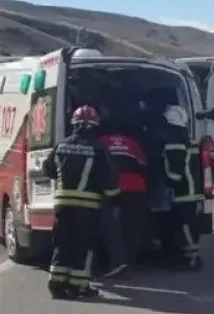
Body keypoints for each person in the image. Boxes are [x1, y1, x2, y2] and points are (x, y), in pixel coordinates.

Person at [43, 106, 120, 299]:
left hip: (62, 204)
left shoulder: (61, 145)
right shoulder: (97, 148)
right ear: (94, 125)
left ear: (74, 124)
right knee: (83, 246)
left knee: (61, 243)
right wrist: (115, 197)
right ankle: (78, 286)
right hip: (87, 206)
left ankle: (57, 285)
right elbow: (107, 178)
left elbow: (48, 170)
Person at [98, 124, 149, 278]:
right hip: (136, 185)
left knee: (108, 224)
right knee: (133, 225)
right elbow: (144, 165)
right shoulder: (132, 143)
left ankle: (115, 262)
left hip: (111, 184)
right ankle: (130, 263)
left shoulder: (101, 141)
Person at [161, 105, 203, 271]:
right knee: (186, 224)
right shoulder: (187, 138)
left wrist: (164, 181)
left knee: (184, 225)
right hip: (192, 190)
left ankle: (192, 259)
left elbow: (175, 172)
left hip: (183, 191)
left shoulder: (174, 141)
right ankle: (187, 256)